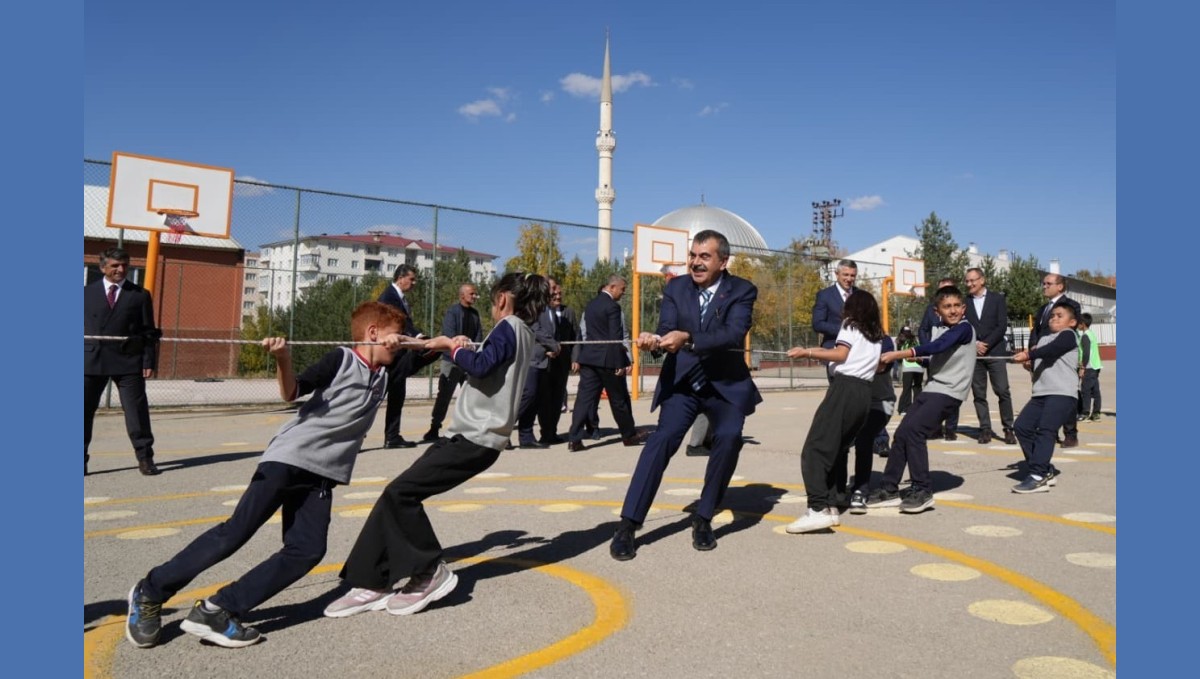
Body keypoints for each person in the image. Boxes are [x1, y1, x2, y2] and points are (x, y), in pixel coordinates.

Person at [125, 301, 420, 648]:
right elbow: (291, 392)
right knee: (234, 533)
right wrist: (283, 358)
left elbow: (430, 347)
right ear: (373, 334)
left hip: (321, 474)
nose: (400, 342)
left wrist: (445, 342)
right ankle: (150, 591)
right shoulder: (341, 359)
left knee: (307, 550)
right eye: (395, 335)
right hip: (288, 459)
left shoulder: (387, 372)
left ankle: (219, 609)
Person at [322, 273, 548, 618]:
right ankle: (371, 580)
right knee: (394, 494)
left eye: (490, 300)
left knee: (402, 494)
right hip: (471, 437)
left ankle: (429, 571)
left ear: (502, 299)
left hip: (476, 438)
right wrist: (449, 345)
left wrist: (452, 347)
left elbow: (483, 365)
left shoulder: (509, 325)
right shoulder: (522, 331)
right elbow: (490, 362)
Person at [610, 230, 761, 559]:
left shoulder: (743, 290)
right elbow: (667, 327)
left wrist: (688, 338)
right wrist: (655, 339)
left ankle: (704, 517)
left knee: (729, 437)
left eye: (704, 256)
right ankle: (627, 525)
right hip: (683, 383)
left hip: (724, 384)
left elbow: (733, 332)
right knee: (661, 441)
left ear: (723, 261)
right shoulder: (676, 287)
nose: (695, 262)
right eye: (692, 255)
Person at [867, 285, 976, 514]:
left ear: (964, 308)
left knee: (915, 431)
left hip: (950, 392)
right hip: (933, 388)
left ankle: (922, 489)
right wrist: (919, 360)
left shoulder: (964, 329)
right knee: (902, 433)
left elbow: (938, 347)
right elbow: (936, 355)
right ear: (938, 311)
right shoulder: (940, 329)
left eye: (957, 306)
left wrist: (901, 354)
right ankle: (889, 488)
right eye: (947, 307)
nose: (953, 310)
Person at [785, 290, 885, 533]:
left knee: (815, 449)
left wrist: (807, 352)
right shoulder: (876, 335)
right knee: (836, 448)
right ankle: (831, 505)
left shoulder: (850, 325)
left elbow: (841, 354)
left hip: (845, 389)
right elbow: (878, 365)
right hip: (864, 393)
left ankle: (817, 509)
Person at [85, 247, 162, 477]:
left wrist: (148, 360)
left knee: (136, 412)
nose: (121, 270)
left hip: (128, 361)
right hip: (91, 360)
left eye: (125, 266)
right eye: (115, 266)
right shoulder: (85, 293)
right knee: (81, 412)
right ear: (103, 268)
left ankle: (145, 458)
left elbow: (148, 331)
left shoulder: (139, 295)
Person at [1008, 301, 1080, 492]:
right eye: (1052, 315)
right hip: (1041, 392)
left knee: (1046, 430)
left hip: (1062, 392)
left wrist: (1029, 355)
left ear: (1072, 322)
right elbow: (1042, 357)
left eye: (1060, 316)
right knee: (1022, 427)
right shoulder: (1043, 339)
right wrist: (1028, 362)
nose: (1054, 318)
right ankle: (1043, 468)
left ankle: (1038, 474)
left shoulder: (1068, 336)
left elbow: (1052, 350)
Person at [567, 276, 642, 451]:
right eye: (622, 289)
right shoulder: (613, 307)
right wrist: (620, 364)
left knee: (583, 400)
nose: (623, 293)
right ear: (613, 286)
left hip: (589, 359)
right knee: (619, 400)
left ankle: (574, 439)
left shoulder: (591, 305)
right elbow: (615, 338)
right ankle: (629, 436)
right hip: (608, 360)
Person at [963, 268, 1017, 445]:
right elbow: (963, 326)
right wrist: (974, 344)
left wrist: (985, 344)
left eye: (973, 280)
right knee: (979, 393)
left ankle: (1008, 428)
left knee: (1002, 390)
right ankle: (985, 429)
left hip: (994, 352)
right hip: (974, 355)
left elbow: (1001, 325)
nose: (969, 284)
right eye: (967, 281)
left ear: (982, 280)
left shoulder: (997, 299)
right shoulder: (964, 302)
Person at [423, 283, 483, 442]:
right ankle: (434, 428)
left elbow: (478, 337)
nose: (475, 296)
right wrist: (459, 348)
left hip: (469, 361)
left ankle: (470, 429)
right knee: (445, 395)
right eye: (472, 294)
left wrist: (473, 352)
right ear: (462, 295)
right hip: (452, 361)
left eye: (475, 294)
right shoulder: (452, 312)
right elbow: (448, 335)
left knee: (473, 396)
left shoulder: (475, 314)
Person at [1031, 273, 1082, 448]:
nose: (1044, 286)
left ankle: (1070, 434)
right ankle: (1049, 430)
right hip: (1041, 357)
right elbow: (1036, 331)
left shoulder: (1071, 306)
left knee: (1063, 395)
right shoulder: (1043, 309)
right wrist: (1033, 349)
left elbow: (1068, 333)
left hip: (1060, 357)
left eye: (1048, 283)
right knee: (1045, 394)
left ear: (1060, 286)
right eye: (1043, 283)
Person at [379, 264, 427, 449]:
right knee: (374, 398)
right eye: (412, 279)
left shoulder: (399, 297)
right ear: (400, 278)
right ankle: (353, 436)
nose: (414, 283)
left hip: (398, 354)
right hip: (387, 354)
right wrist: (418, 337)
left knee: (397, 394)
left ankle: (392, 436)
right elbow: (400, 322)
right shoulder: (390, 296)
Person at [515, 282, 562, 448]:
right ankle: (501, 429)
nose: (556, 291)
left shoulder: (547, 307)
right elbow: (534, 327)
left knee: (534, 399)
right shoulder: (531, 305)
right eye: (552, 287)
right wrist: (552, 344)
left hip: (542, 359)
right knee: (528, 395)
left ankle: (526, 436)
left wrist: (550, 348)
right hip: (529, 358)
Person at [919, 276, 959, 440]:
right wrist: (926, 348)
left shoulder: (957, 311)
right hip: (934, 356)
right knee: (934, 392)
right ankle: (935, 427)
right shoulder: (930, 309)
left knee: (951, 392)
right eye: (941, 290)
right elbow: (923, 329)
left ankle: (950, 428)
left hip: (953, 357)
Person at [540, 278, 578, 444]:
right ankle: (544, 432)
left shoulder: (568, 312)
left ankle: (552, 432)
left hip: (562, 362)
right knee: (543, 398)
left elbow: (576, 337)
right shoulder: (539, 311)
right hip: (544, 361)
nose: (557, 295)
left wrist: (575, 359)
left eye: (560, 293)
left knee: (557, 398)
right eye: (554, 292)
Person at [812, 259, 859, 383]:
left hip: (858, 352)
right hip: (834, 352)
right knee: (838, 395)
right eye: (846, 275)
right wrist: (846, 330)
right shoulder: (824, 295)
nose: (849, 279)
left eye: (852, 275)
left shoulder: (860, 295)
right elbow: (818, 324)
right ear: (837, 274)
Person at [1076, 313, 1103, 421]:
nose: (1077, 325)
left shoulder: (1085, 336)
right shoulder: (1091, 334)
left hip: (1089, 367)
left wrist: (1082, 368)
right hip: (1096, 366)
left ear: (1082, 324)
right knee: (1095, 391)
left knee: (1086, 390)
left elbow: (1086, 353)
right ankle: (1096, 413)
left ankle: (1085, 413)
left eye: (1078, 323)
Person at [896, 326, 923, 414]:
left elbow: (902, 357)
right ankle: (915, 408)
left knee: (907, 389)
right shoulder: (914, 341)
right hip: (917, 368)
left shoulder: (902, 341)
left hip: (909, 368)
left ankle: (904, 408)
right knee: (917, 388)